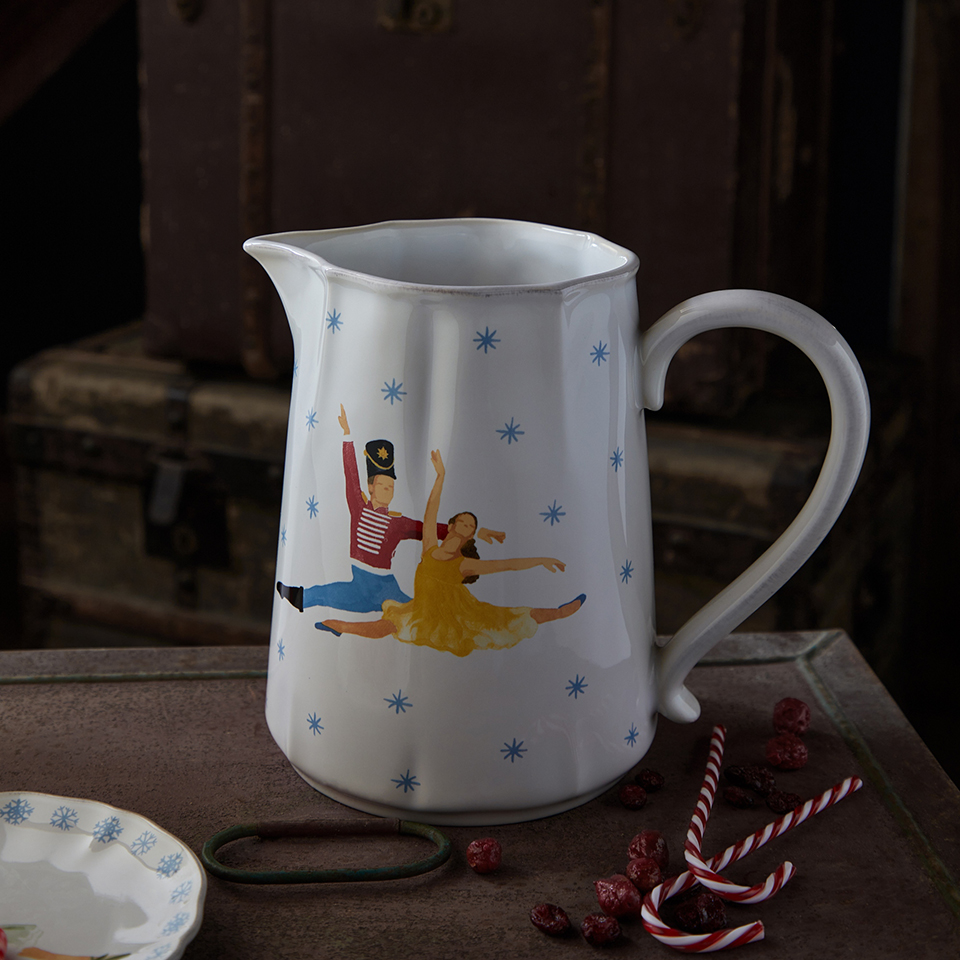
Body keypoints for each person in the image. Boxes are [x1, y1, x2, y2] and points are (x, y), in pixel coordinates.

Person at [317, 449, 585, 657]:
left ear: (470, 535)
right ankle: (340, 626)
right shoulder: (429, 546)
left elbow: (507, 565)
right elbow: (431, 510)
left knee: (510, 618)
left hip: (457, 615)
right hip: (422, 612)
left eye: (471, 526)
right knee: (389, 625)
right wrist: (440, 477)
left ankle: (559, 613)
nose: (465, 527)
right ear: (453, 525)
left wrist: (540, 560)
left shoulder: (464, 564)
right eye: (462, 522)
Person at [276, 406, 504, 615]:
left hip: (384, 586)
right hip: (359, 583)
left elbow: (428, 528)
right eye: (383, 486)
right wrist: (347, 435)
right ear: (371, 487)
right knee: (330, 593)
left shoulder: (398, 523)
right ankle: (301, 597)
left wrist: (469, 532)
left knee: (417, 612)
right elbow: (351, 475)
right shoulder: (358, 507)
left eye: (391, 487)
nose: (388, 491)